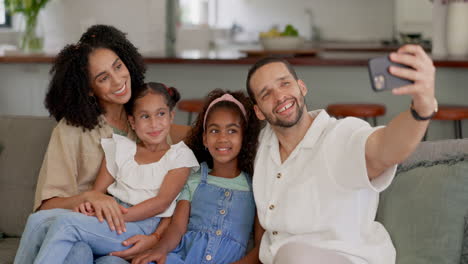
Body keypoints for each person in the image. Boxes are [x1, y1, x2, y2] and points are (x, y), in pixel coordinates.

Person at [245, 44, 437, 264]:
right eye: (266, 93)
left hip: (347, 259)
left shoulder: (341, 135)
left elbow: (386, 149)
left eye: (285, 84)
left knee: (293, 256)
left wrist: (422, 108)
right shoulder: (262, 146)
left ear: (302, 88)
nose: (279, 96)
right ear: (259, 111)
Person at [14, 25, 189, 264]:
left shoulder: (148, 121)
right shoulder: (70, 131)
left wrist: (157, 238)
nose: (118, 80)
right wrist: (90, 198)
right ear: (88, 89)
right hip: (82, 228)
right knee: (74, 249)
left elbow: (171, 194)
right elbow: (46, 210)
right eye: (103, 77)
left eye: (118, 66)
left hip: (124, 235)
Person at [130, 89, 263, 264]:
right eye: (214, 131)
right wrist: (160, 250)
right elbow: (177, 227)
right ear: (205, 139)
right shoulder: (193, 178)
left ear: (244, 138)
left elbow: (261, 246)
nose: (222, 138)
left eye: (232, 131)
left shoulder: (258, 185)